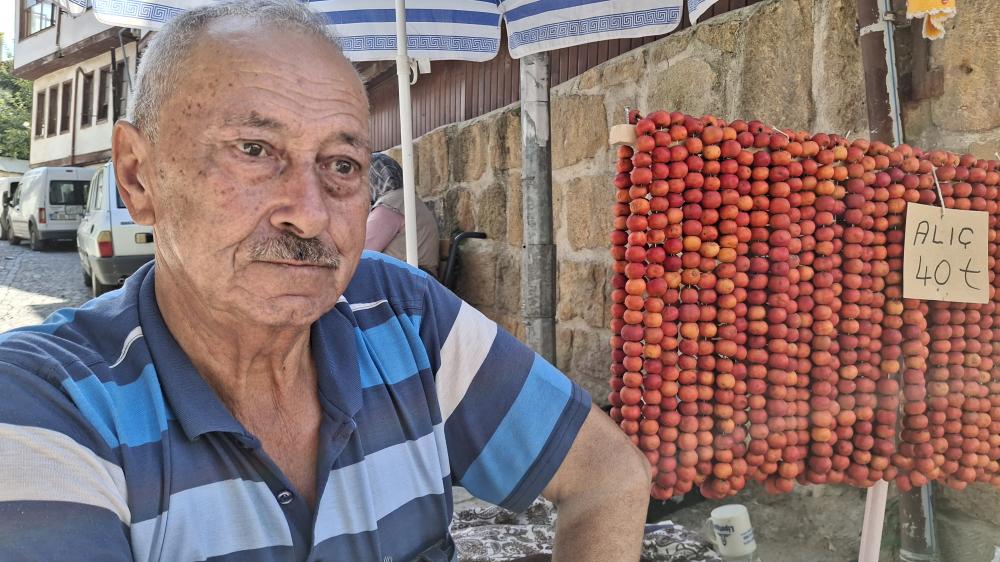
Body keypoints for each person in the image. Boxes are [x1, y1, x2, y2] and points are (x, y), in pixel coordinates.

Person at [0, 1, 652, 561]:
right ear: (138, 177)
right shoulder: (44, 411)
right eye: (254, 150)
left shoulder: (401, 315)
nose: (310, 213)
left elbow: (607, 472)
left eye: (341, 164)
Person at [365, 153, 440, 277]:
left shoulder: (392, 202)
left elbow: (363, 250)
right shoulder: (403, 198)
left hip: (408, 278)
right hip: (413, 275)